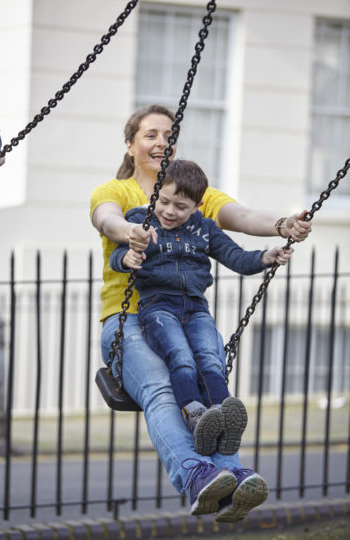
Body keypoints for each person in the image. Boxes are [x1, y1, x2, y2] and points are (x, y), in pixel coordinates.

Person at [90, 104, 311, 522]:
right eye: (150, 134)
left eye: (168, 135)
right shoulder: (117, 193)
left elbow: (241, 218)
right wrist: (131, 233)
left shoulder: (195, 195)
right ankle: (195, 474)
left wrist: (283, 224)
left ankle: (229, 480)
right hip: (131, 318)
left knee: (207, 385)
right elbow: (107, 220)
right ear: (131, 144)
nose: (160, 142)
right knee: (161, 387)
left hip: (187, 313)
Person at [110, 159, 293, 458]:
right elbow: (117, 255)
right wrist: (127, 258)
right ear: (155, 194)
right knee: (181, 357)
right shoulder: (141, 221)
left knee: (210, 358)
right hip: (158, 307)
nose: (169, 211)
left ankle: (222, 416)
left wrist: (266, 257)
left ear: (198, 205)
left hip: (196, 308)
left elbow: (236, 257)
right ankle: (195, 415)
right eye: (164, 201)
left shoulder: (205, 228)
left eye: (180, 207)